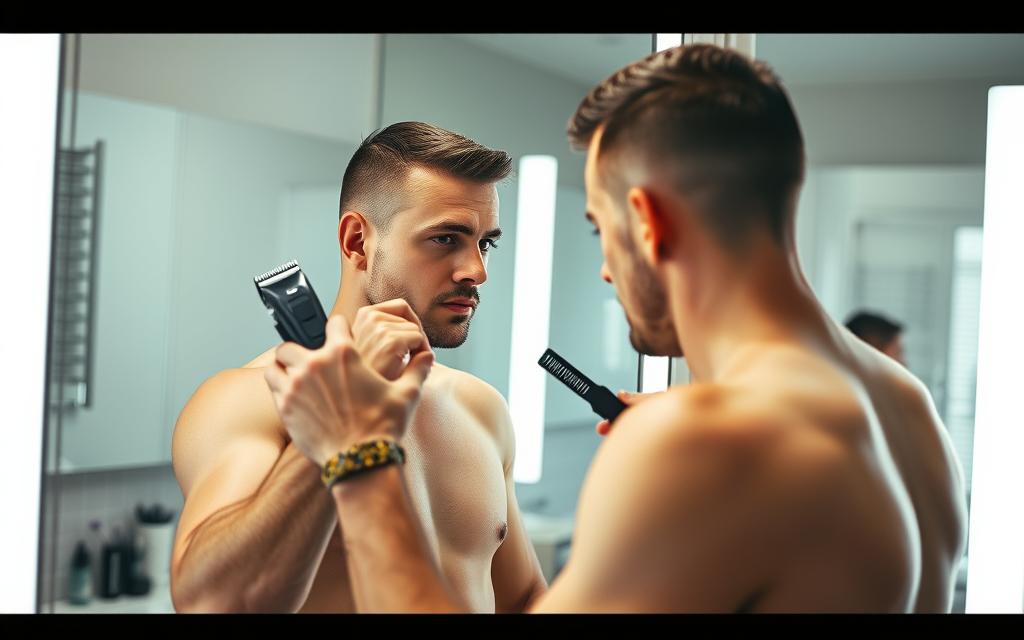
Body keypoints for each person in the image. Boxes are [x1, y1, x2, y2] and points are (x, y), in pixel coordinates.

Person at [268, 44, 968, 613]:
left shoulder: (704, 442)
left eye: (601, 229)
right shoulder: (906, 408)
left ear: (647, 222)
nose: (605, 270)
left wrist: (360, 460)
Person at [170, 122, 547, 613]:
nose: (477, 270)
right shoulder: (247, 401)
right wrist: (338, 432)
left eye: (485, 243)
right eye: (445, 239)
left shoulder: (482, 408)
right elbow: (212, 604)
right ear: (356, 241)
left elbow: (523, 599)